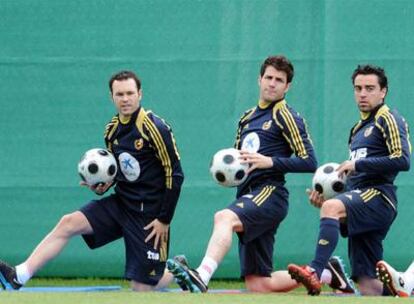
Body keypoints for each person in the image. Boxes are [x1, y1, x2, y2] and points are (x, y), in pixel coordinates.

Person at [166, 55, 356, 293]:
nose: (272, 83)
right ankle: (328, 272)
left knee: (223, 217)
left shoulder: (286, 115)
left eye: (279, 80)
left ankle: (201, 276)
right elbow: (240, 163)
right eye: (269, 77)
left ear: (288, 86)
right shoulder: (247, 118)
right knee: (259, 284)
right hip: (248, 193)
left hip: (270, 192)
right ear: (259, 79)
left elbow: (309, 161)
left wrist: (270, 162)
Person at [0, 70, 184, 291]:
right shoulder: (112, 130)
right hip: (122, 203)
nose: (125, 99)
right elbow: (120, 171)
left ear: (140, 94)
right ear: (112, 97)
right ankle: (18, 276)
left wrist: (164, 218)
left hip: (149, 215)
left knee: (141, 288)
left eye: (129, 93)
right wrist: (103, 184)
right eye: (119, 94)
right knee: (68, 223)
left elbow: (175, 173)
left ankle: (176, 272)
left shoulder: (155, 127)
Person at [288, 64, 411, 296]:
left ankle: (315, 271)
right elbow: (354, 179)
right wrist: (329, 198)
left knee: (332, 207)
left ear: (383, 91)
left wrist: (355, 169)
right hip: (362, 197)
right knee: (368, 285)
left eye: (370, 88)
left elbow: (402, 159)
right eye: (358, 88)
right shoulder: (357, 129)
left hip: (379, 196)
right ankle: (405, 294)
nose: (363, 93)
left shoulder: (388, 118)